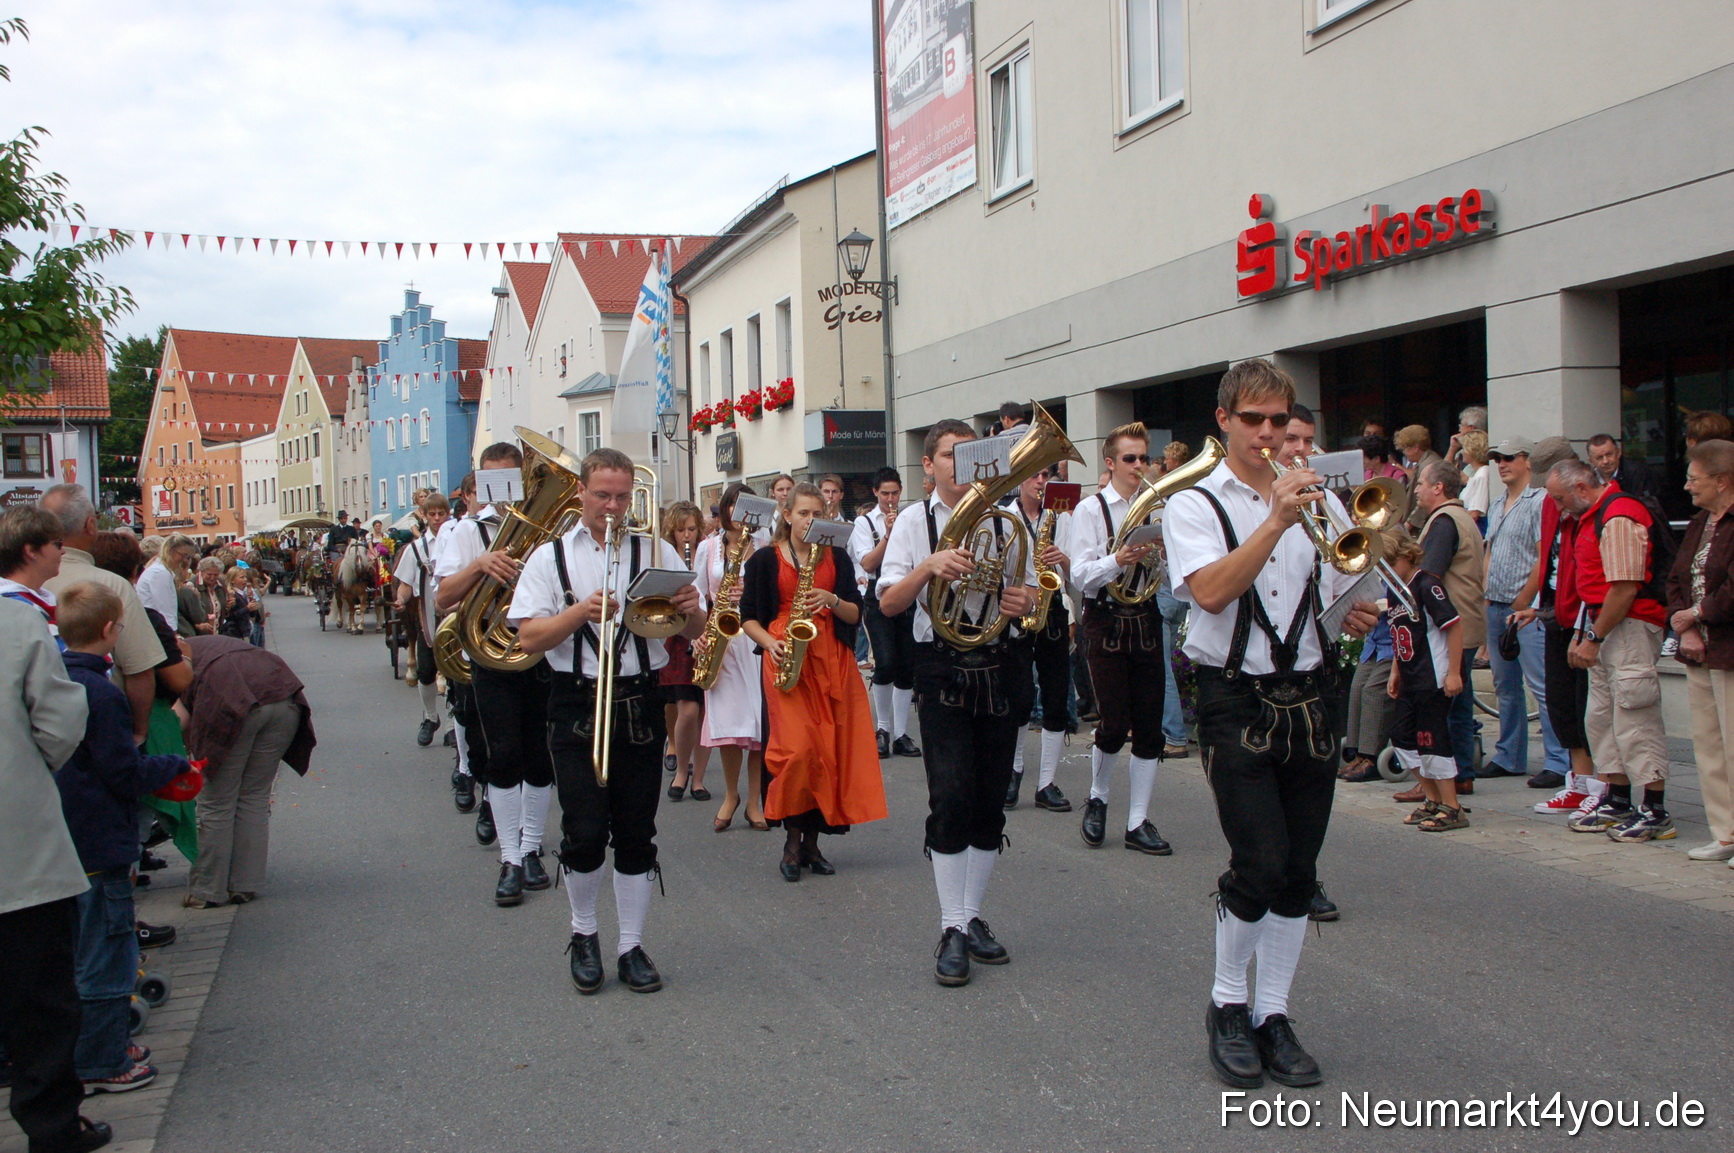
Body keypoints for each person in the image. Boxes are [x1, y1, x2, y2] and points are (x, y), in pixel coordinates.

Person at [1162, 358, 1379, 1090]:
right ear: (1223, 421)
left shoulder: (1317, 497)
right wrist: (1277, 518)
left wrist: (1358, 600)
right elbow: (1213, 592)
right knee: (1258, 859)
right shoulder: (1193, 502)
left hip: (1310, 692)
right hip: (1232, 696)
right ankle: (1227, 1003)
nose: (1266, 433)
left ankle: (1274, 1013)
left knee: (1299, 869)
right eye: (1251, 420)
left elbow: (1349, 578)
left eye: (1277, 420)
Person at [510, 447, 706, 996]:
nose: (614, 506)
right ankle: (585, 934)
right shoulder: (550, 558)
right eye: (603, 495)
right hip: (575, 700)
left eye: (622, 496)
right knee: (585, 829)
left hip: (641, 700)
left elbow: (693, 633)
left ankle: (632, 944)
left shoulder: (655, 548)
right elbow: (527, 640)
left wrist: (691, 607)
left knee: (637, 832)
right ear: (581, 494)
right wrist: (579, 612)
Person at [878, 419, 1035, 987]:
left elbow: (1033, 598)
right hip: (941, 665)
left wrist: (1023, 601)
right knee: (950, 796)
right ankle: (950, 925)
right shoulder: (914, 524)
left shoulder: (1008, 520)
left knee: (990, 802)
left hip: (999, 663)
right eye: (950, 456)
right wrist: (927, 567)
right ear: (929, 465)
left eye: (970, 455)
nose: (960, 465)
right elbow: (891, 605)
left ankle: (970, 917)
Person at [52, 583, 192, 1094]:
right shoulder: (104, 694)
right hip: (101, 836)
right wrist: (173, 764)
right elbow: (123, 771)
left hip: (67, 833)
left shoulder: (57, 678)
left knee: (79, 948)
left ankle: (95, 1046)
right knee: (108, 954)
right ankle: (104, 1059)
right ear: (111, 631)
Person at [0, 592, 111, 1153]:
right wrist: (26, 774)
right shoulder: (17, 622)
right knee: (38, 996)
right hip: (15, 844)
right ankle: (51, 1127)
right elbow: (60, 721)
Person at [741, 483, 886, 880]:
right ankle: (791, 842)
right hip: (787, 659)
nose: (810, 520)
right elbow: (747, 616)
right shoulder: (764, 561)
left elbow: (856, 615)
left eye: (816, 513)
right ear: (786, 515)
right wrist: (770, 643)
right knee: (797, 752)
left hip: (831, 662)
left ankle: (812, 845)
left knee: (828, 753)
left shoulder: (836, 557)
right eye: (803, 513)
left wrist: (832, 599)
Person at [436, 442, 556, 904]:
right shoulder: (466, 532)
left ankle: (530, 849)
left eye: (511, 478)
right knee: (503, 753)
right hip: (491, 653)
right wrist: (481, 564)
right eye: (492, 481)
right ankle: (509, 857)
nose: (503, 490)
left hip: (541, 649)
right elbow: (443, 597)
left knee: (540, 755)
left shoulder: (547, 531)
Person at [1548, 459, 1675, 841]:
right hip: (1604, 624)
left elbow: (1624, 587)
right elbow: (1597, 587)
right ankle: (1617, 797)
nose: (1559, 507)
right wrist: (1585, 631)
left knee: (1634, 716)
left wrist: (1594, 636)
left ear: (1582, 490)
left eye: (1560, 499)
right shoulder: (1592, 517)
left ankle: (1654, 807)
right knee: (1601, 716)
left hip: (1630, 626)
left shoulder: (1619, 515)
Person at [1070, 421, 1172, 855]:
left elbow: (1168, 573)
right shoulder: (1091, 510)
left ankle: (1138, 820)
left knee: (1150, 725)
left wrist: (1162, 556)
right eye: (1129, 459)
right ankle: (1098, 796)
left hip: (1144, 616)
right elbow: (1079, 574)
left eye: (1143, 458)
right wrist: (1118, 558)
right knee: (1113, 720)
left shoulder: (1156, 507)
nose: (1138, 466)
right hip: (1106, 619)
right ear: (1110, 464)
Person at [180, 635, 317, 907]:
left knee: (217, 800)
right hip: (283, 696)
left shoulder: (163, 662)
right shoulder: (198, 644)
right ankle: (244, 885)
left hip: (233, 699)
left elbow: (180, 720)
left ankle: (207, 891)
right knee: (253, 797)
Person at [1511, 438, 1606, 809]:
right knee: (1561, 703)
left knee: (1588, 707)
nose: (1552, 498)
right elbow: (1550, 560)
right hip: (1557, 611)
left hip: (1585, 616)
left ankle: (1602, 786)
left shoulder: (1591, 508)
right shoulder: (1554, 506)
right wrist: (1537, 606)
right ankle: (1580, 781)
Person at [40, 485, 165, 743]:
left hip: (38, 727)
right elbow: (139, 669)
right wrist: (139, 733)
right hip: (98, 726)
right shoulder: (113, 586)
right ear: (90, 525)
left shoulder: (21, 583)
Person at [1395, 460, 1485, 801]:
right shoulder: (1457, 517)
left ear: (1438, 488)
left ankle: (1446, 781)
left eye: (1421, 484)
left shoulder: (1445, 521)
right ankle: (1459, 775)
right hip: (1463, 618)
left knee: (1444, 706)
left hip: (1449, 623)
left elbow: (1427, 574)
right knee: (1457, 704)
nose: (1415, 489)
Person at [1481, 437, 1568, 782]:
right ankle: (1509, 755)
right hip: (1497, 602)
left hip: (1525, 607)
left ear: (1527, 461)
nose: (1501, 463)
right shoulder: (1498, 502)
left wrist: (1525, 601)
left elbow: (1543, 554)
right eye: (1496, 459)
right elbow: (1490, 549)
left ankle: (1559, 760)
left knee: (1541, 684)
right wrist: (1487, 590)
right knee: (1505, 685)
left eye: (1508, 457)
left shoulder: (1539, 501)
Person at [1668, 439, 1734, 864]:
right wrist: (1685, 626)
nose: (1688, 487)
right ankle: (1725, 832)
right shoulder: (1699, 523)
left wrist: (1696, 614)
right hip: (1699, 650)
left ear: (1722, 481)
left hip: (1729, 649)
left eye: (1695, 479)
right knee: (1708, 745)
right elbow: (1674, 578)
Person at [694, 483, 770, 831]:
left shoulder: (766, 547)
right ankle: (730, 794)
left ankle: (755, 800)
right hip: (721, 639)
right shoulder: (708, 548)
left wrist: (751, 590)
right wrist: (698, 634)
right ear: (725, 510)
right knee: (727, 724)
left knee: (756, 724)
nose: (740, 514)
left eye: (746, 507)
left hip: (753, 638)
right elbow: (695, 594)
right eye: (733, 506)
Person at [999, 465, 1075, 812]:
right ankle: (1014, 769)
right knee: (1019, 696)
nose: (1041, 482)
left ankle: (1046, 782)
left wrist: (1064, 560)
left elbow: (1082, 573)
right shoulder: (1003, 516)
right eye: (1034, 475)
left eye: (1045, 475)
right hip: (1018, 610)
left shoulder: (1062, 517)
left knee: (1057, 695)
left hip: (1053, 608)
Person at [1383, 537, 1469, 831]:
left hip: (1435, 675)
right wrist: (1396, 671)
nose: (1389, 571)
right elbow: (1400, 632)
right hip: (1410, 675)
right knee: (1401, 735)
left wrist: (1454, 672)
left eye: (1392, 564)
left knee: (1432, 739)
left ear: (1407, 556)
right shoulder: (1395, 590)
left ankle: (1452, 806)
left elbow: (1453, 626)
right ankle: (1431, 799)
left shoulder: (1426, 584)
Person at [849, 467, 920, 758]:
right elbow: (867, 563)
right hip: (877, 595)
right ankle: (882, 728)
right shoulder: (864, 523)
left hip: (906, 589)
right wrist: (888, 536)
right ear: (876, 493)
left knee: (906, 666)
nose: (891, 499)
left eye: (895, 493)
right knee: (886, 661)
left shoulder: (911, 518)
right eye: (885, 493)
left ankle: (901, 733)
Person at [660, 501, 709, 801]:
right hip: (675, 636)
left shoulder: (705, 552)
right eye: (681, 530)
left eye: (692, 529)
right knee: (682, 707)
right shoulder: (665, 555)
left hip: (703, 632)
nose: (687, 536)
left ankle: (698, 778)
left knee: (702, 710)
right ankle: (680, 763)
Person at [393, 492, 450, 747]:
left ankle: (451, 724)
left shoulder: (458, 541)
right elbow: (405, 584)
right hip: (427, 619)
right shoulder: (415, 549)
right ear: (425, 517)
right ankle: (430, 717)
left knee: (455, 675)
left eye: (442, 513)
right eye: (432, 514)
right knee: (426, 672)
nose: (437, 519)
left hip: (454, 618)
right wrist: (401, 599)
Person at [0, 506, 66, 644]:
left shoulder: (37, 601)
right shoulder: (15, 610)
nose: (63, 551)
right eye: (58, 544)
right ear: (31, 551)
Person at [136, 533, 195, 624]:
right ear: (170, 550)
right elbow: (165, 611)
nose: (185, 560)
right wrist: (173, 635)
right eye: (183, 555)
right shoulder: (160, 573)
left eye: (188, 557)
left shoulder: (162, 570)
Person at [1586, 434, 1662, 503]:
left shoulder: (1638, 473)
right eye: (1599, 458)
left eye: (1609, 454)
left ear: (1618, 453)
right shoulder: (1588, 479)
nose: (1605, 461)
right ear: (1591, 461)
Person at [1393, 425, 1442, 531]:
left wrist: (1409, 524)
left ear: (1416, 448)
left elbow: (1426, 498)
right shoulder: (1426, 461)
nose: (1404, 453)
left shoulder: (1428, 465)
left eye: (1405, 449)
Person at [178, 557, 222, 637]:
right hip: (200, 636)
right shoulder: (191, 586)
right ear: (201, 572)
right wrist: (198, 626)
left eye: (216, 575)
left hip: (217, 633)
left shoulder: (221, 585)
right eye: (209, 574)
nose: (212, 578)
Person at [1458, 430, 1492, 526]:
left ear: (1472, 450)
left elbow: (1474, 513)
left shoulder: (1483, 474)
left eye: (1464, 448)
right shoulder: (1477, 474)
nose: (1462, 452)